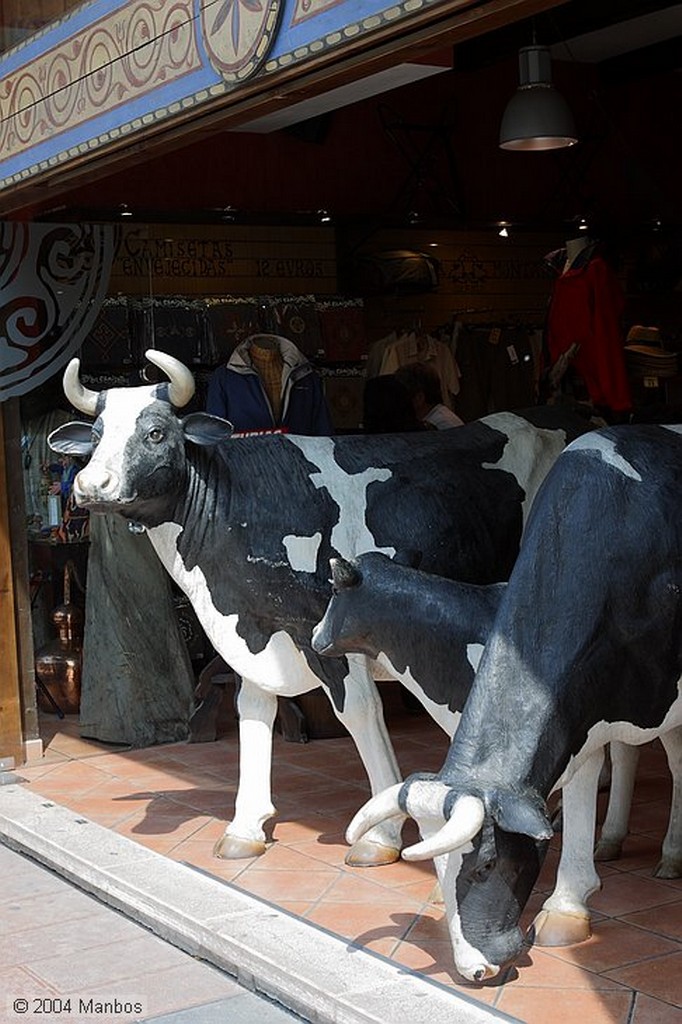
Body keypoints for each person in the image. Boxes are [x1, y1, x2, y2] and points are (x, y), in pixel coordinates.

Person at [393, 361, 465, 429]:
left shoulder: (441, 426)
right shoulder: (430, 419)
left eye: (400, 395)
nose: (397, 401)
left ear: (419, 398)